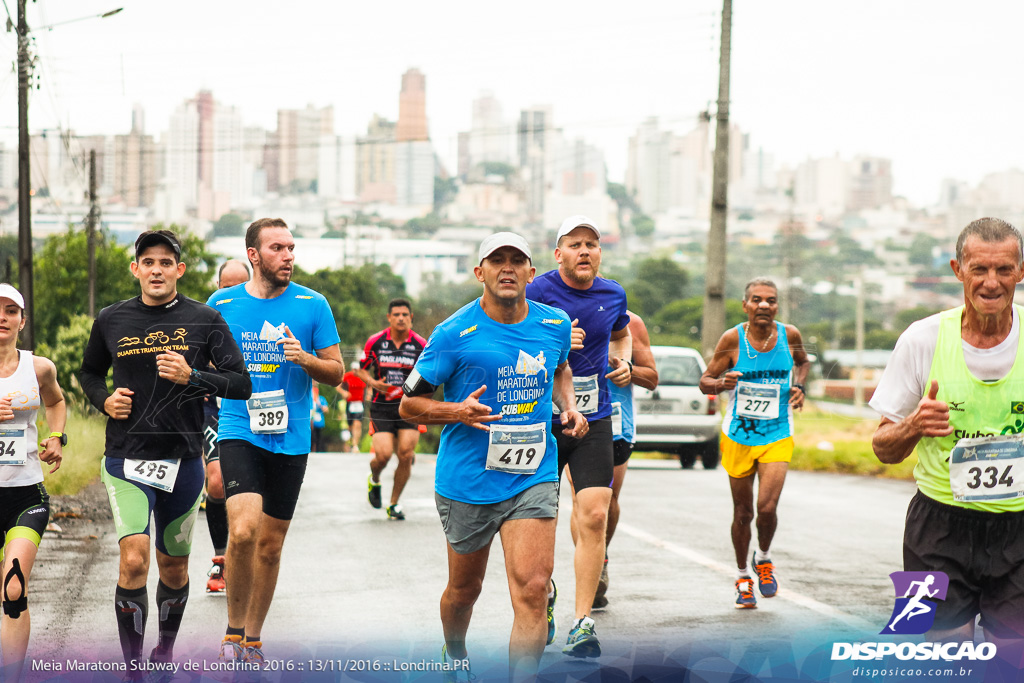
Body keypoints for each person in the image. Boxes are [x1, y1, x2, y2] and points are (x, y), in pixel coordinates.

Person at [400, 232, 587, 680]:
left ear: (531, 273)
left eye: (517, 260)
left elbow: (560, 368)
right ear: (480, 272)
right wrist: (455, 410)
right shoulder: (452, 334)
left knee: (535, 588)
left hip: (533, 475)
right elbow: (406, 405)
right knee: (465, 590)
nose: (508, 268)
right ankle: (455, 650)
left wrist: (569, 405)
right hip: (468, 479)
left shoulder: (555, 324)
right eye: (497, 260)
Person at [79, 230, 251, 674]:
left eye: (165, 262)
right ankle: (134, 665)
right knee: (134, 556)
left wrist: (194, 376)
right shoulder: (110, 319)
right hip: (125, 458)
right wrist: (103, 400)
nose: (156, 269)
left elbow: (241, 383)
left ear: (180, 270)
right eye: (148, 261)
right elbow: (89, 372)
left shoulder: (205, 319)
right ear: (135, 269)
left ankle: (164, 652)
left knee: (173, 567)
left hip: (184, 460)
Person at [870, 217, 1024, 648]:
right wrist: (915, 425)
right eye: (979, 269)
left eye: (1004, 270)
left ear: (1021, 272)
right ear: (959, 270)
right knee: (938, 655)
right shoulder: (922, 339)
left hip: (1019, 529)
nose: (991, 283)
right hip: (938, 525)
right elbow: (883, 449)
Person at [207, 218, 343, 663]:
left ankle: (253, 638)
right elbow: (201, 363)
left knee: (270, 544)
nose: (288, 256)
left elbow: (337, 372)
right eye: (278, 248)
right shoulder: (221, 303)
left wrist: (304, 359)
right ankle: (231, 633)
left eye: (291, 248)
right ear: (253, 255)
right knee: (243, 529)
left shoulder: (313, 304)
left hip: (291, 435)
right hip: (238, 426)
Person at [524, 215, 632, 658]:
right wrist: (554, 339)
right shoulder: (537, 291)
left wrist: (622, 361)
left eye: (592, 243)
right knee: (536, 519)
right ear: (558, 253)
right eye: (575, 244)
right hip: (539, 418)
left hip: (594, 417)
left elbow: (621, 333)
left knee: (593, 515)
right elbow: (511, 339)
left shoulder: (613, 293)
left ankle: (583, 620)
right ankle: (542, 591)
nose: (585, 250)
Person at [699, 277, 809, 609]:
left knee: (767, 508)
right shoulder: (732, 339)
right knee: (743, 512)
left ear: (777, 306)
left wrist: (800, 386)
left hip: (777, 430)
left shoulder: (790, 336)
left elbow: (803, 362)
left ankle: (763, 558)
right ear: (745, 305)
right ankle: (743, 576)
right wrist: (721, 383)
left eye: (771, 301)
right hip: (738, 434)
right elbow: (704, 381)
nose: (764, 305)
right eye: (757, 300)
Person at [0, 284, 67, 683]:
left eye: (11, 311)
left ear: (22, 321)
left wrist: (57, 437)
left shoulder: (38, 367)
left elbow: (57, 402)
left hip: (25, 492)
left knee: (12, 589)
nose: (2, 318)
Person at [594, 310, 658, 609]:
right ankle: (591, 567)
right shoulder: (557, 315)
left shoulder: (631, 322)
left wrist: (629, 370)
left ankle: (600, 555)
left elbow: (652, 377)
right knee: (587, 499)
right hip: (574, 415)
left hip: (617, 422)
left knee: (608, 499)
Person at [202, 259, 251, 594]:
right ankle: (221, 559)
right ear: (218, 286)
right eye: (225, 285)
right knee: (217, 482)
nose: (231, 292)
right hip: (215, 409)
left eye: (239, 285)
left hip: (253, 409)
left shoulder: (261, 312)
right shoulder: (207, 313)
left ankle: (247, 556)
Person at [359, 299, 427, 520]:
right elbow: (361, 370)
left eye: (405, 315)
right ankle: (375, 479)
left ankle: (394, 503)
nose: (401, 318)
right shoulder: (376, 342)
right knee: (383, 455)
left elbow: (431, 373)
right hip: (382, 406)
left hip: (409, 406)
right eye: (396, 314)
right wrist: (373, 383)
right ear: (389, 317)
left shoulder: (420, 345)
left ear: (411, 317)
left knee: (406, 454)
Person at [338, 361, 366, 452]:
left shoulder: (363, 377)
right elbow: (337, 385)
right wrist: (344, 392)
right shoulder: (348, 376)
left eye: (357, 370)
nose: (355, 371)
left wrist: (369, 394)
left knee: (357, 424)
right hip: (350, 403)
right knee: (350, 426)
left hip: (359, 403)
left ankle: (355, 445)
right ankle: (351, 441)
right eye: (354, 369)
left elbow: (369, 385)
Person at [310, 384, 328, 452]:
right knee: (311, 437)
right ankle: (311, 450)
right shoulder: (309, 399)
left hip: (319, 422)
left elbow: (326, 410)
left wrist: (318, 403)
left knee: (318, 437)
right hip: (310, 422)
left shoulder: (321, 399)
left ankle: (317, 450)